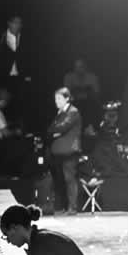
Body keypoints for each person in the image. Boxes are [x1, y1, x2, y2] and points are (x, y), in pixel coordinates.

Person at [46, 87, 83, 215]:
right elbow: (51, 129)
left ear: (67, 98)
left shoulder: (73, 112)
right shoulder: (60, 112)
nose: (56, 101)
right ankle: (61, 207)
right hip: (58, 151)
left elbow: (63, 127)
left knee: (69, 178)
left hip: (69, 150)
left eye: (59, 98)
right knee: (59, 180)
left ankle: (72, 207)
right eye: (55, 99)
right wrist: (55, 132)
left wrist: (56, 131)